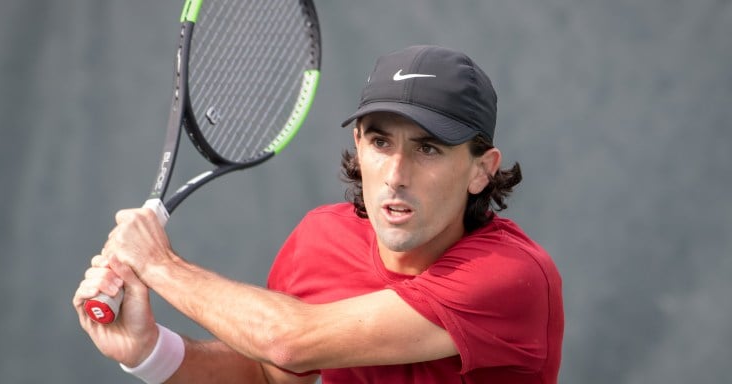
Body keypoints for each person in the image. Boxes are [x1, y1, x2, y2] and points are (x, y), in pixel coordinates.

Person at [73, 45, 564, 383]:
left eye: (428, 149)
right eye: (379, 142)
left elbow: (289, 342)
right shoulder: (320, 239)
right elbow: (271, 373)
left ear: (482, 170)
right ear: (358, 144)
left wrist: (159, 265)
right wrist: (148, 350)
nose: (396, 173)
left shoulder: (511, 279)